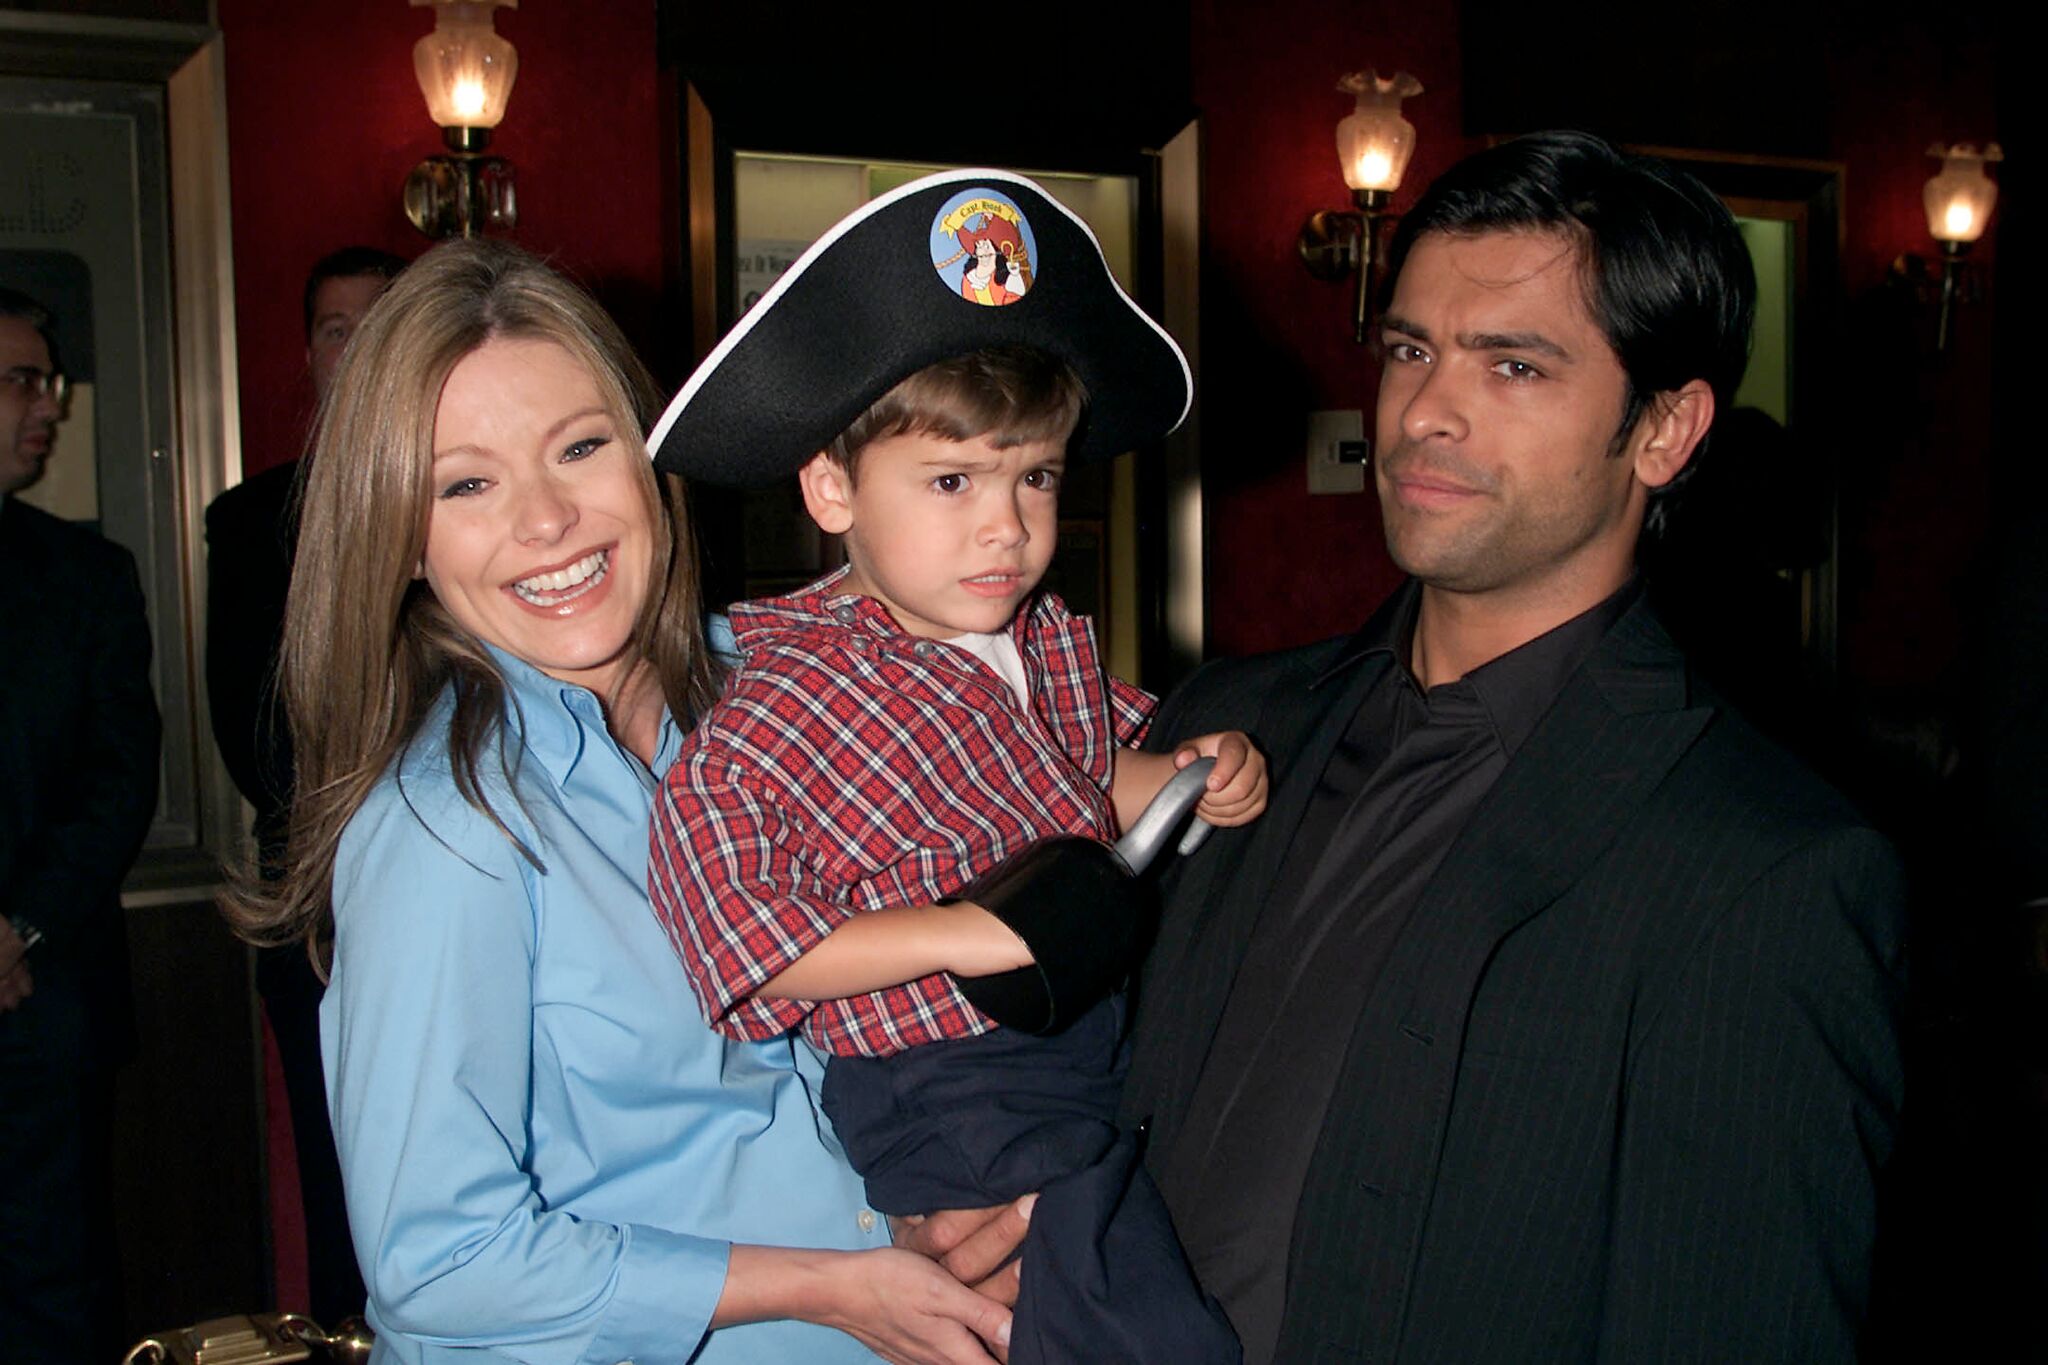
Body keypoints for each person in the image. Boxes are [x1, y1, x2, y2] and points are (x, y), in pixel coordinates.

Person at [1119, 130, 1909, 1363]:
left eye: (1516, 367)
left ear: (1664, 430)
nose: (1425, 411)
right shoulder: (1224, 722)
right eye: (1408, 350)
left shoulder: (1761, 875)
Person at [219, 239, 1025, 1364]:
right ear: (401, 536)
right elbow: (438, 1263)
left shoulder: (783, 691)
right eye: (466, 484)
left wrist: (931, 1216)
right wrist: (832, 1287)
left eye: (581, 448)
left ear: (651, 458)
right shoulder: (449, 827)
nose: (546, 521)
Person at [646, 170, 1261, 1365]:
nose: (1005, 525)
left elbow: (1100, 783)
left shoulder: (1030, 650)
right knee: (1123, 1319)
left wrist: (1197, 769)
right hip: (944, 1079)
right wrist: (960, 932)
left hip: (1075, 1036)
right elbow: (744, 937)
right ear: (831, 489)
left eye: (1033, 476)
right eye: (950, 482)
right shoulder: (788, 695)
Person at [205, 243, 406, 1325]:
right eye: (339, 326)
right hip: (319, 899)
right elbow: (251, 734)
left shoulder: (471, 501)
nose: (363, 343)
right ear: (312, 353)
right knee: (340, 1181)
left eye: (385, 319)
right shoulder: (249, 523)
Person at [0, 286, 161, 1361]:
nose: (47, 404)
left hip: (37, 996)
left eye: (46, 380)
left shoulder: (88, 578)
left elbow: (118, 780)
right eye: (20, 379)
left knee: (51, 1283)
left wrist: (18, 928)